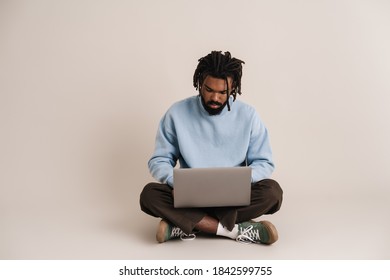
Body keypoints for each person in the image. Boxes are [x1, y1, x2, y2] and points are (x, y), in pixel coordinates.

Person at [140, 51, 283, 245]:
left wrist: (242, 182)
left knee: (272, 193)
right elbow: (159, 160)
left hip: (232, 198)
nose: (214, 97)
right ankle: (235, 231)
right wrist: (175, 183)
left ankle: (183, 223)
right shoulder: (176, 113)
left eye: (222, 92)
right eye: (209, 89)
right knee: (149, 195)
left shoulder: (248, 115)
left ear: (233, 89)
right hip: (190, 196)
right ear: (199, 83)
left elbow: (264, 162)